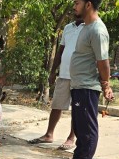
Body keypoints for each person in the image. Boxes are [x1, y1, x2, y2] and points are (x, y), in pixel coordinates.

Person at [55, 0, 114, 159]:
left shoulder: (97, 30)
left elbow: (103, 62)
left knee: (87, 125)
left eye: (77, 3)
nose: (74, 7)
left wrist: (106, 84)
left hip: (88, 85)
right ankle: (76, 158)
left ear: (88, 5)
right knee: (79, 124)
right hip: (78, 83)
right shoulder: (85, 27)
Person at [29, 14, 83, 150]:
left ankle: (71, 137)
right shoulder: (68, 28)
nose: (74, 10)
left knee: (76, 108)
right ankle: (49, 134)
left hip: (79, 75)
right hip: (64, 74)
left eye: (77, 5)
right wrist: (53, 71)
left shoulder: (89, 27)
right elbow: (61, 49)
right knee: (56, 105)